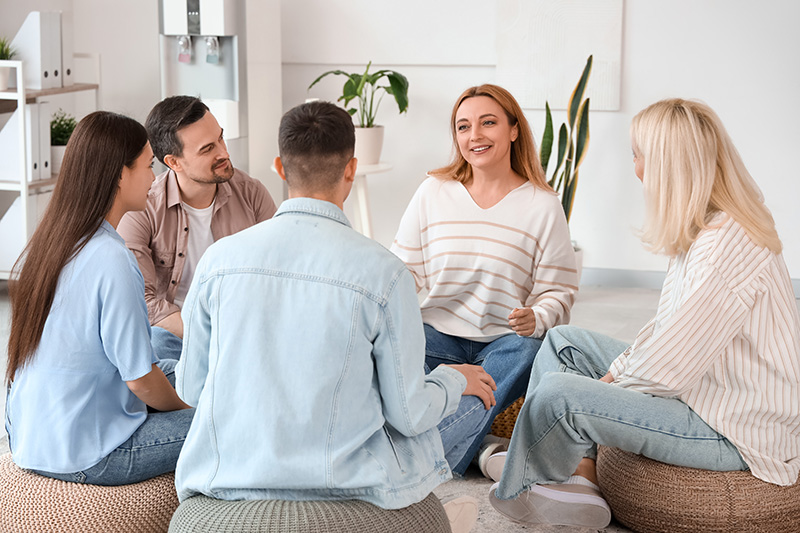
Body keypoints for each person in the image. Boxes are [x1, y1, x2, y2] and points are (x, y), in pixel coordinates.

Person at [174, 101, 493, 532]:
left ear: (279, 168)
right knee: (448, 403)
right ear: (352, 168)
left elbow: (192, 389)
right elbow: (410, 415)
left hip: (220, 501)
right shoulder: (384, 273)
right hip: (352, 501)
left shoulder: (218, 261)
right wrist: (454, 380)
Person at [488, 98, 800, 528]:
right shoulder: (707, 228)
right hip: (706, 390)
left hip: (732, 428)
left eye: (638, 155)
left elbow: (669, 369)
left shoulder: (725, 244)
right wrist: (616, 372)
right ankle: (576, 471)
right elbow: (667, 331)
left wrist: (608, 384)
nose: (635, 169)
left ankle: (522, 481)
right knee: (563, 342)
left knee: (561, 393)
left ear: (667, 165)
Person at [390, 84, 578, 477]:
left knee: (532, 350)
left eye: (487, 123)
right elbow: (403, 270)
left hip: (503, 344)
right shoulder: (432, 192)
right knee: (397, 353)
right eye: (463, 127)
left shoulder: (543, 206)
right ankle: (477, 450)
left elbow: (558, 292)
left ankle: (414, 457)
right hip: (437, 336)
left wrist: (537, 316)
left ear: (513, 129)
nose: (474, 136)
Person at [4, 111, 194, 485]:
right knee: (226, 415)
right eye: (148, 165)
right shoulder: (113, 259)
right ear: (120, 174)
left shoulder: (52, 242)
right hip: (90, 454)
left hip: (28, 436)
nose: (155, 179)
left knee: (164, 346)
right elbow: (140, 382)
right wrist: (187, 407)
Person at [117, 95, 277, 360]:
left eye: (221, 139)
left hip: (245, 332)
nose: (224, 153)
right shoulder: (142, 208)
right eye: (207, 149)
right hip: (178, 335)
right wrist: (212, 336)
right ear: (174, 162)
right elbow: (139, 301)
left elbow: (280, 275)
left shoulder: (251, 194)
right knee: (156, 344)